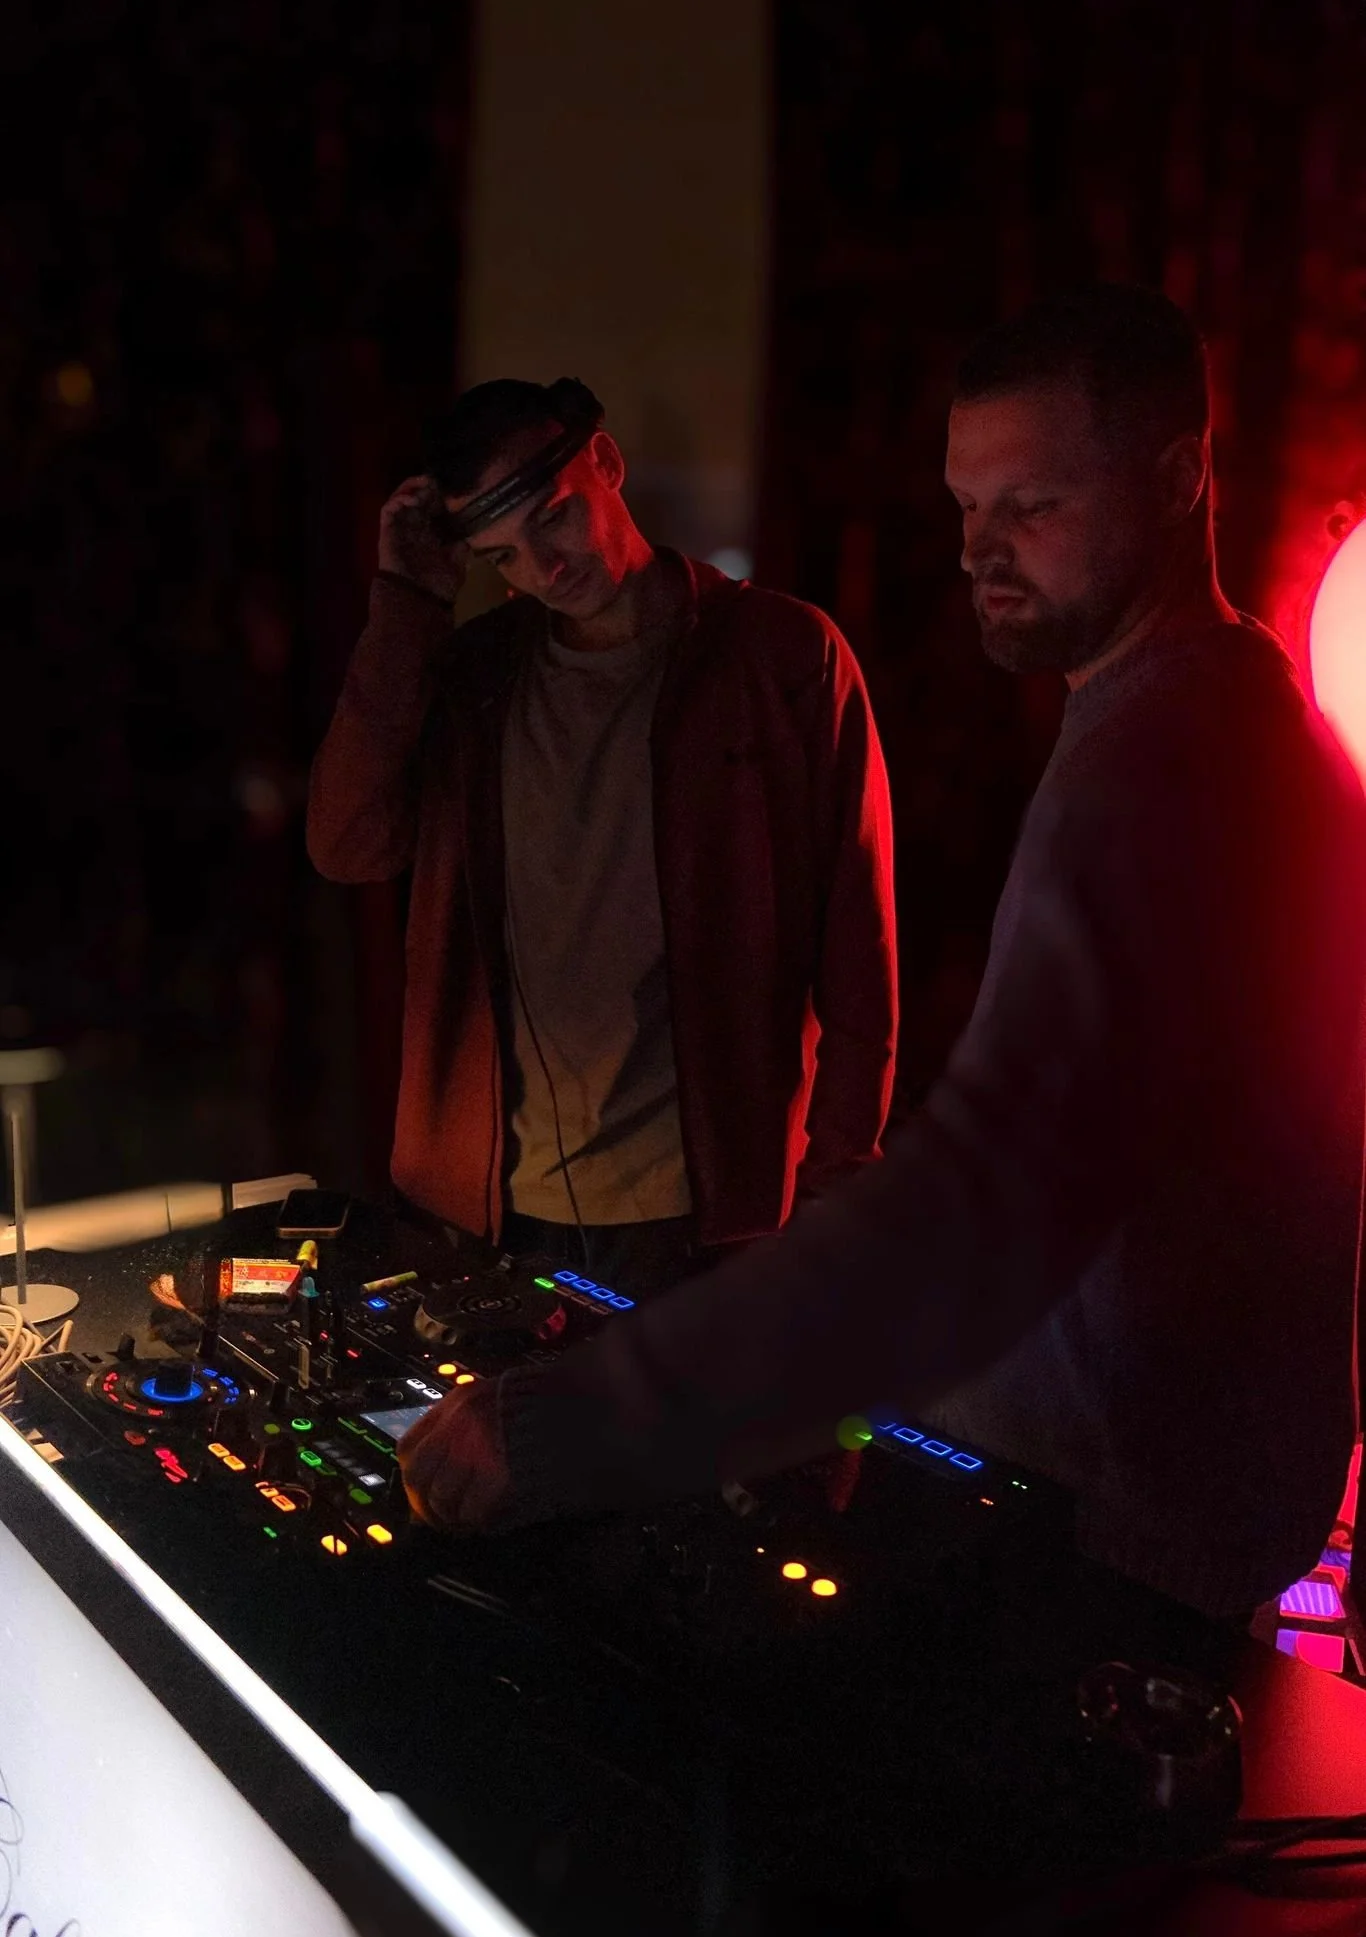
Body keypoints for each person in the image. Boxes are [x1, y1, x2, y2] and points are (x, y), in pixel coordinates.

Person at [399, 286, 1366, 1633]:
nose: (979, 551)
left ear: (1176, 479)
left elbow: (980, 1209)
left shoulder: (1163, 769)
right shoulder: (1205, 710)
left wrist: (564, 1423)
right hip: (1125, 1498)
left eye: (1031, 505)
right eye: (965, 506)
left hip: (1104, 1533)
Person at [308, 377, 897, 1296]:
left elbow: (859, 950)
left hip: (705, 1217)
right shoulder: (480, 674)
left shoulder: (779, 654)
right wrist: (407, 602)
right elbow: (347, 843)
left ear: (608, 463)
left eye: (554, 517)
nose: (543, 567)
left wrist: (833, 1199)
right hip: (492, 1211)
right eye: (502, 556)